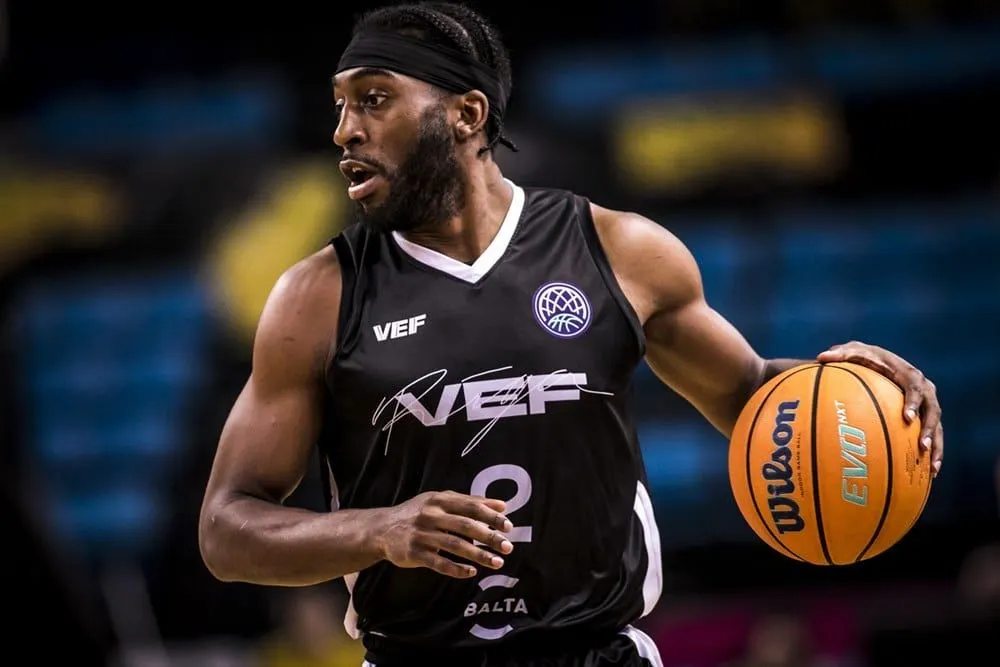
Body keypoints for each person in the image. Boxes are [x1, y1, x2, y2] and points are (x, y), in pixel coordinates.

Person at [198, 3, 945, 666]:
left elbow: (754, 398)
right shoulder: (316, 297)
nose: (344, 130)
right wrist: (379, 529)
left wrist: (853, 389)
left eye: (373, 99)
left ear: (466, 114)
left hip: (600, 652)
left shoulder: (619, 251)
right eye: (339, 105)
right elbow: (225, 530)